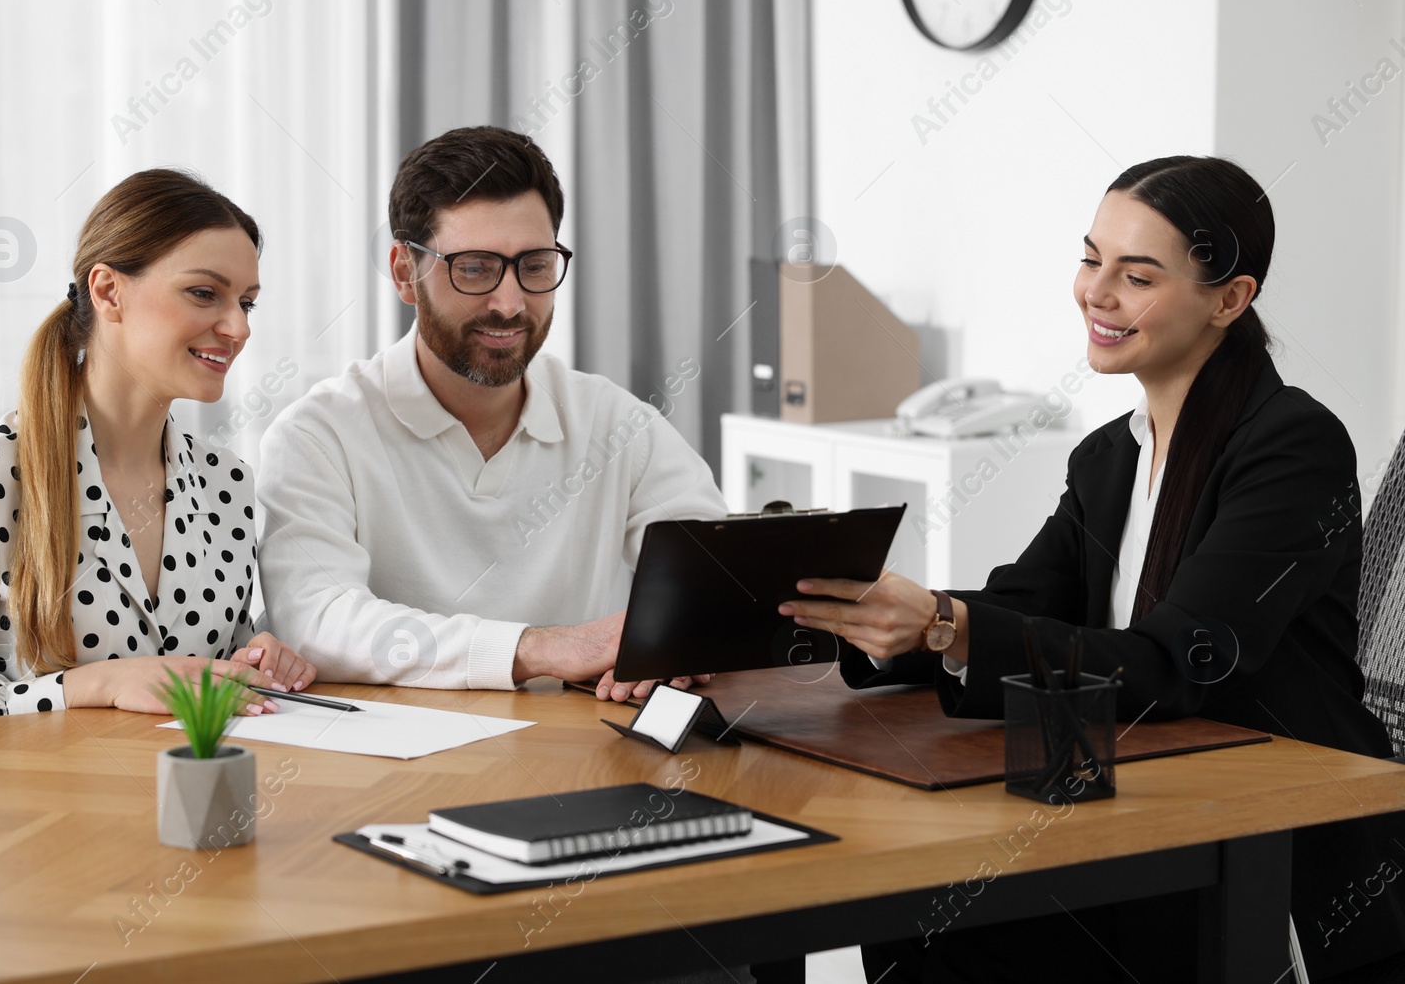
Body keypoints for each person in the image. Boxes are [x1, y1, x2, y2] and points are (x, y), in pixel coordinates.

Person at [781, 156, 1405, 980]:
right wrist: (899, 618)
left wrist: (945, 622)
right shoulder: (1108, 457)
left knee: (942, 922)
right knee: (915, 909)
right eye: (1091, 258)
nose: (1095, 292)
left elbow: (1181, 660)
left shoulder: (1294, 448)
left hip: (1267, 851)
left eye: (1136, 274)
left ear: (1230, 298)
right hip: (1143, 806)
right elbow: (1019, 606)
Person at [257, 125, 727, 699]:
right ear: (405, 272)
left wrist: (677, 641)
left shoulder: (613, 421)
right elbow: (318, 621)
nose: (509, 304)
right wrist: (541, 648)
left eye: (534, 265)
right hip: (393, 772)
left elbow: (715, 576)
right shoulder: (319, 435)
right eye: (475, 268)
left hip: (583, 755)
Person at [0, 169, 316, 726]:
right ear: (108, 291)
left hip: (184, 796)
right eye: (204, 293)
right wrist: (97, 684)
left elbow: (203, 673)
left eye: (246, 303)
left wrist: (254, 661)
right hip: (40, 809)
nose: (238, 328)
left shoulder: (226, 483)